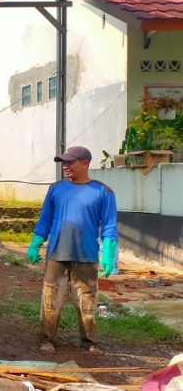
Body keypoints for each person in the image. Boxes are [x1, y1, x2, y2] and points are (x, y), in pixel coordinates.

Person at [27, 146, 118, 355]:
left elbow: (110, 226)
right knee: (51, 299)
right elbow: (45, 220)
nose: (65, 166)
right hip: (57, 254)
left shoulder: (103, 192)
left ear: (85, 163)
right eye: (64, 162)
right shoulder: (56, 189)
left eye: (70, 162)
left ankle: (88, 341)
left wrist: (108, 253)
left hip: (86, 255)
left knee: (87, 301)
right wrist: (36, 242)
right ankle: (46, 338)